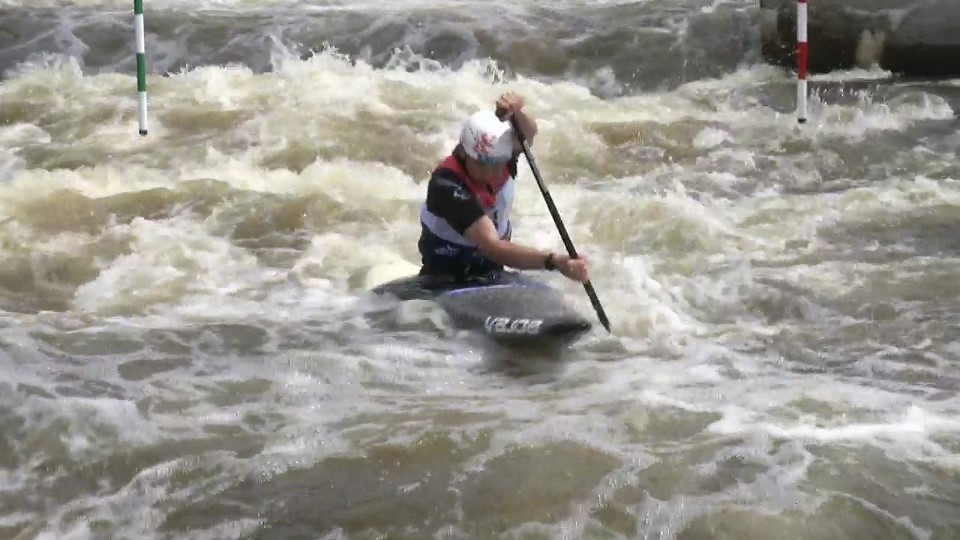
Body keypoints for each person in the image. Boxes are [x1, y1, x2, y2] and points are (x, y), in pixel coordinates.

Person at [417, 92, 591, 285]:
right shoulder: (446, 185)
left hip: (492, 275)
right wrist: (555, 262)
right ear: (464, 153)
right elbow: (493, 248)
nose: (489, 172)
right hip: (445, 280)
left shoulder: (502, 158)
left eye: (496, 164)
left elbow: (528, 134)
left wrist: (517, 112)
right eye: (481, 164)